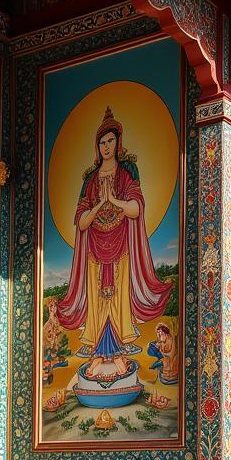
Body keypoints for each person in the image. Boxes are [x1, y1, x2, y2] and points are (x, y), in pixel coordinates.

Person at [57, 107, 172, 372]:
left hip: (121, 243)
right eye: (102, 142)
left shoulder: (127, 170)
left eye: (110, 140)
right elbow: (81, 221)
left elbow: (136, 208)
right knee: (97, 295)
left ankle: (119, 346)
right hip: (94, 247)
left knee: (119, 291)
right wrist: (99, 206)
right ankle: (97, 347)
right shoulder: (90, 179)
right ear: (97, 146)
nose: (106, 146)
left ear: (118, 142)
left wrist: (114, 202)